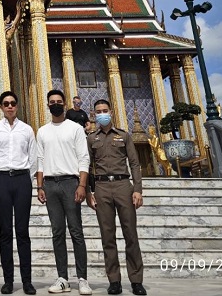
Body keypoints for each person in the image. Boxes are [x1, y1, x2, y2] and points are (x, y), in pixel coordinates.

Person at [86, 99, 146, 296]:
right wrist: (88, 192)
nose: (102, 114)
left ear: (111, 112)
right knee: (107, 235)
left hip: (123, 185)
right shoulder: (91, 138)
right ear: (94, 115)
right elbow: (87, 166)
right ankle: (114, 280)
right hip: (102, 187)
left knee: (131, 234)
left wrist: (137, 189)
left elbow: (134, 163)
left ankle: (136, 280)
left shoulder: (123, 135)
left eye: (105, 110)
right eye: (98, 111)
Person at [35, 89, 91, 296]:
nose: (55, 104)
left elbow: (83, 158)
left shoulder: (75, 129)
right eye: (52, 102)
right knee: (57, 232)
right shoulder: (42, 131)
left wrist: (82, 185)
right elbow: (40, 160)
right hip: (50, 184)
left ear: (65, 104)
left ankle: (82, 279)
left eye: (59, 101)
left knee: (76, 231)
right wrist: (40, 187)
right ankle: (62, 278)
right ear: (47, 105)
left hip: (70, 182)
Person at [0, 91, 37, 295]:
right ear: (1, 107)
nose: (9, 106)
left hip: (22, 179)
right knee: (5, 231)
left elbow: (33, 157)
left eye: (12, 103)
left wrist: (28, 179)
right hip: (2, 179)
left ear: (17, 105)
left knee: (22, 231)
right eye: (6, 103)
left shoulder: (26, 129)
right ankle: (8, 281)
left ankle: (27, 281)